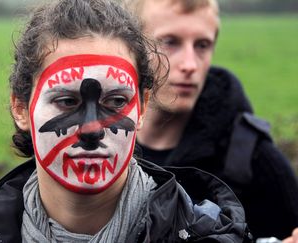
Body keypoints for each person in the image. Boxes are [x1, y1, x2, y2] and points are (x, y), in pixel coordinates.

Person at [0, 0, 251, 242]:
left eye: (115, 102)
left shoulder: (204, 234)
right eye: (66, 101)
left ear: (141, 107)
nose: (91, 129)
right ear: (21, 108)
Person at [122, 0, 298, 239]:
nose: (190, 65)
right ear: (131, 47)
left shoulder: (253, 160)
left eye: (202, 45)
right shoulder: (96, 147)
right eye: (170, 42)